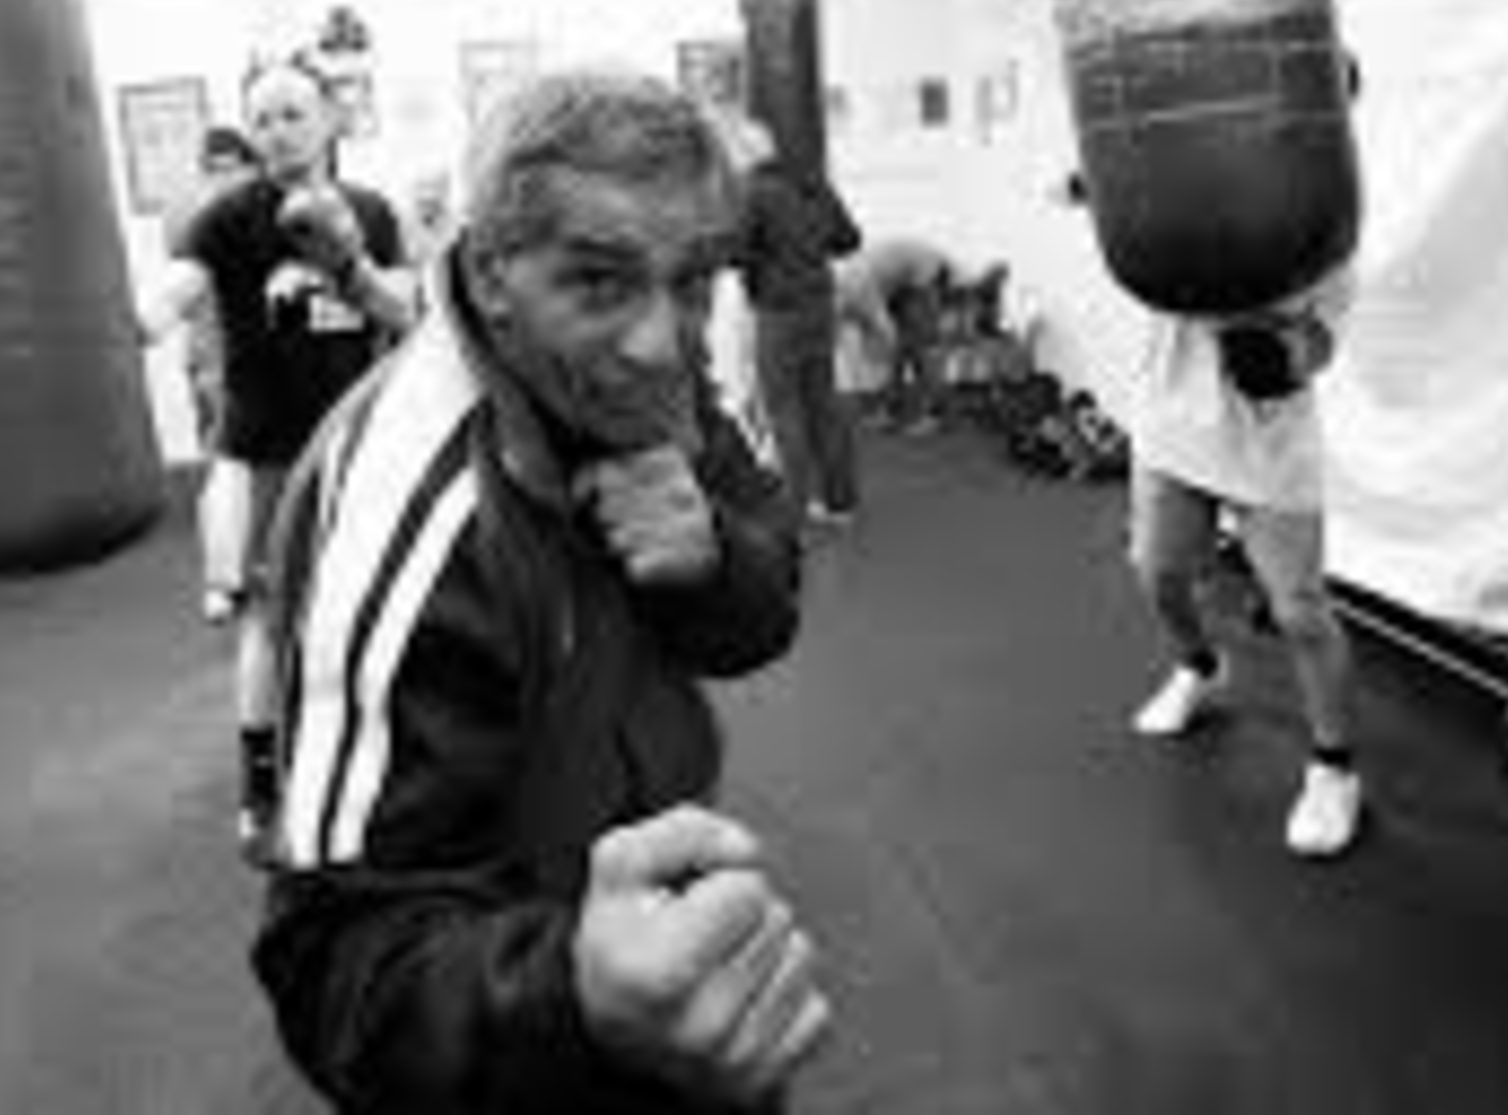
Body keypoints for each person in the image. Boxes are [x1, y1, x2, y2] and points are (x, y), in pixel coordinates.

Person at [252, 70, 828, 1114]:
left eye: (693, 280)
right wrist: (574, 994)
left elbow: (771, 600)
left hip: (650, 889)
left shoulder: (668, 369)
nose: (661, 340)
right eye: (598, 282)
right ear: (490, 273)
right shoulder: (412, 513)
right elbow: (337, 960)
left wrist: (711, 560)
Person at [142, 52, 418, 853]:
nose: (277, 131)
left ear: (329, 119)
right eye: (261, 118)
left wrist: (349, 264)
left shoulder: (371, 209)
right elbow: (180, 285)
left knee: (371, 605)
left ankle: (376, 755)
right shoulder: (229, 218)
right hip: (269, 453)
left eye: (294, 113)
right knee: (267, 616)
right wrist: (137, 318)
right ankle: (262, 783)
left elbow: (406, 313)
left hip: (360, 447)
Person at [1123, 271, 1366, 858]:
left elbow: (1310, 354)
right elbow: (1125, 243)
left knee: (1300, 610)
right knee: (1158, 571)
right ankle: (1201, 667)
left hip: (1270, 444)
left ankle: (1334, 769)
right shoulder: (1179, 211)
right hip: (1172, 426)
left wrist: (1250, 318)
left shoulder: (1319, 241)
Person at [731, 116, 862, 525]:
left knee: (784, 410)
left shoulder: (752, 190)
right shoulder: (813, 185)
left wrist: (761, 258)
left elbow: (733, 251)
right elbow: (849, 240)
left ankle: (794, 509)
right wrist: (806, 248)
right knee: (823, 404)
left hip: (779, 314)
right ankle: (841, 503)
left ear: (744, 152)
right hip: (820, 308)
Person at [162, 124, 261, 454]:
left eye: (231, 168)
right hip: (211, 350)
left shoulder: (266, 206)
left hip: (255, 353)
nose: (224, 179)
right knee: (220, 444)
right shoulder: (189, 210)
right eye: (213, 170)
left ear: (251, 168)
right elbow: (180, 260)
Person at [835, 237, 974, 435]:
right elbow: (848, 338)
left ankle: (937, 415)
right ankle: (890, 410)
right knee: (899, 349)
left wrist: (875, 371)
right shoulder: (842, 293)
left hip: (922, 274)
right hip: (900, 280)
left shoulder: (857, 293)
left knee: (920, 348)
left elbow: (885, 334)